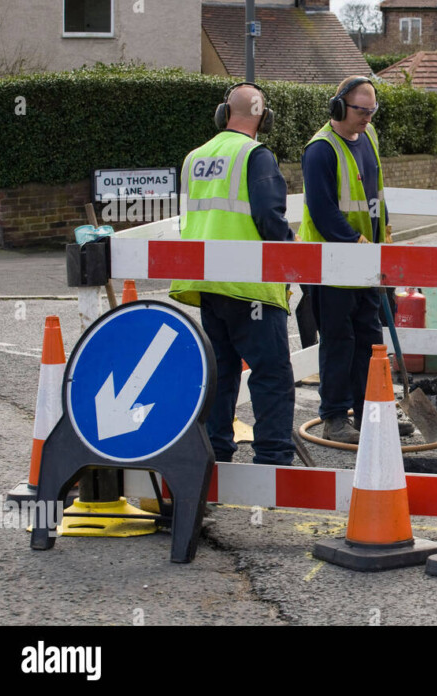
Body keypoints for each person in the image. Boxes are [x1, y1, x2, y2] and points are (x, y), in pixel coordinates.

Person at [170, 82, 295, 465]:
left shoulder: (195, 157)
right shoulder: (255, 155)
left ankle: (215, 455)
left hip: (207, 282)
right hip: (249, 284)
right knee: (271, 374)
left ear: (223, 113)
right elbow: (269, 219)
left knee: (221, 374)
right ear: (264, 118)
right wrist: (294, 254)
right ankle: (273, 460)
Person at [300, 76, 412, 443]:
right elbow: (323, 212)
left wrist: (382, 244)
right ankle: (334, 417)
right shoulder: (321, 150)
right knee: (337, 342)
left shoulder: (370, 137)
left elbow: (375, 198)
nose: (367, 117)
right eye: (360, 111)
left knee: (369, 340)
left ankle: (370, 414)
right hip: (332, 264)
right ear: (338, 107)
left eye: (372, 110)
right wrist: (358, 243)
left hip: (368, 262)